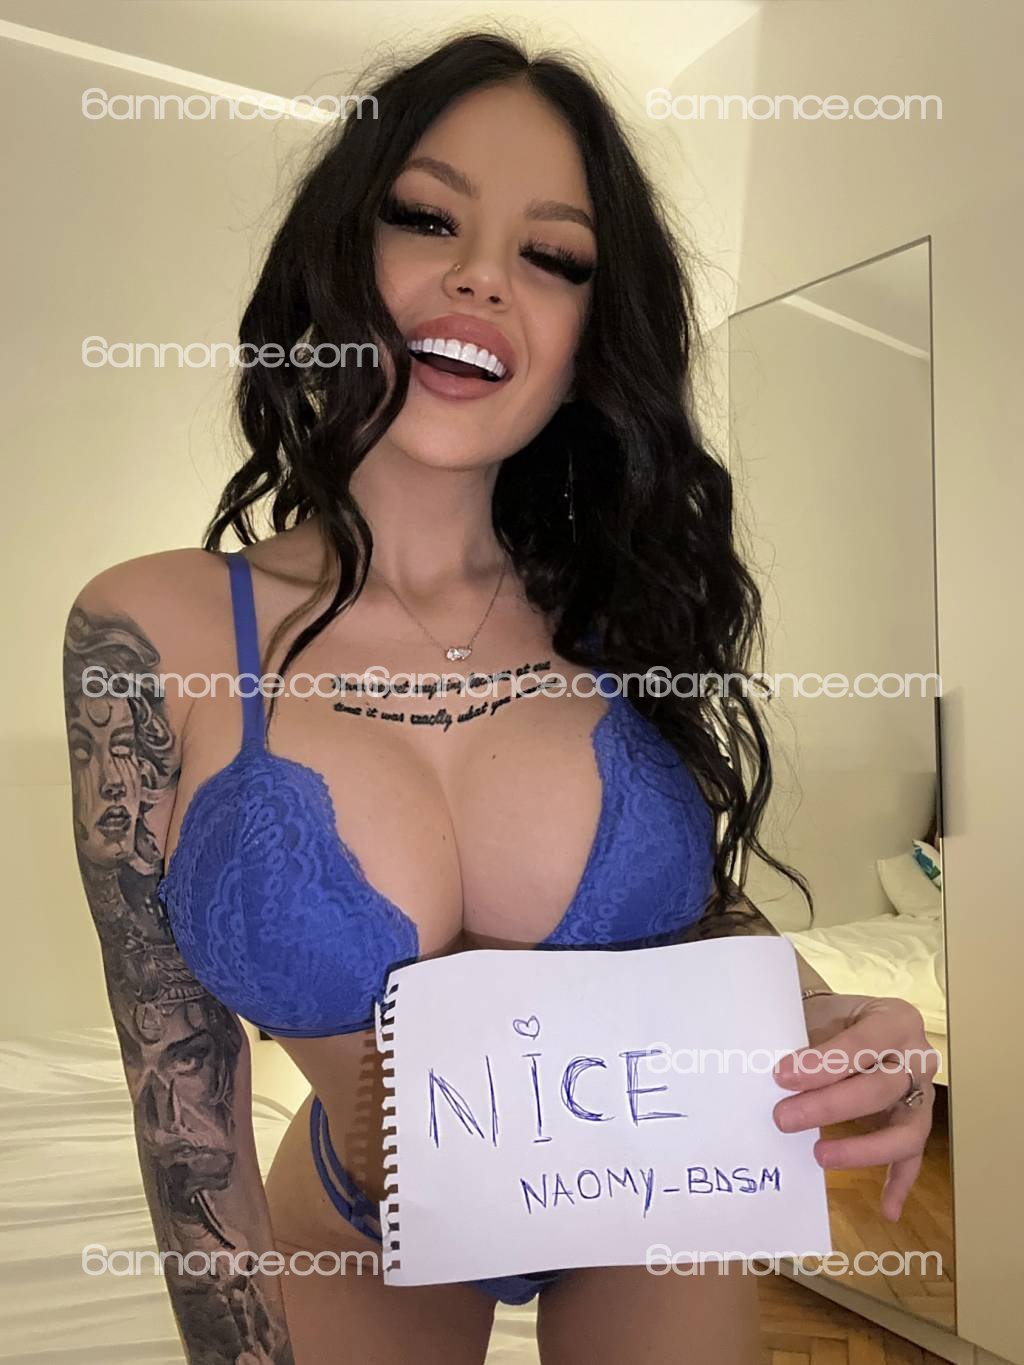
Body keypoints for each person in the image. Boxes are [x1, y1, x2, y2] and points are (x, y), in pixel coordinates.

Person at [62, 31, 939, 1365]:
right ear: (339, 255)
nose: (481, 275)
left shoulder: (620, 608)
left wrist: (819, 1011)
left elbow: (693, 911)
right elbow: (180, 1096)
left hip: (660, 1205)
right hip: (355, 1218)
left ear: (591, 337)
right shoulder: (149, 630)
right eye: (427, 218)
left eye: (553, 257)